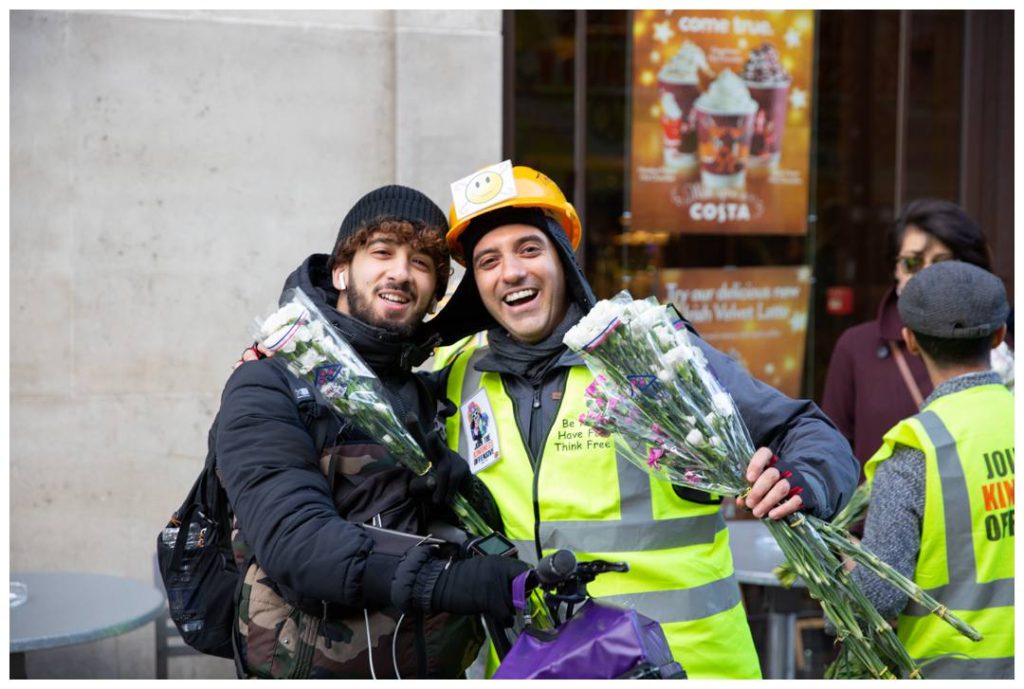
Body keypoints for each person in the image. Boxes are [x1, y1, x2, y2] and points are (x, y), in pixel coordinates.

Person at [426, 163, 860, 678]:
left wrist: (802, 482)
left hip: (687, 667)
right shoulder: (456, 379)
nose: (511, 272)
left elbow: (806, 431)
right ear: (474, 284)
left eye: (529, 249)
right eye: (488, 261)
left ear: (563, 260)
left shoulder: (644, 353)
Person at [215, 184, 528, 679]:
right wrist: (445, 581)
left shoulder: (427, 393)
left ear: (433, 297)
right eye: (382, 252)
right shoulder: (268, 381)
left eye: (422, 263)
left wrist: (458, 489)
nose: (401, 273)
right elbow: (296, 542)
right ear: (341, 269)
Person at [852, 261, 1013, 678]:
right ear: (998, 336)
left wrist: (844, 571)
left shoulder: (915, 448)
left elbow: (875, 598)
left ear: (910, 341)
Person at [822, 199, 1008, 473]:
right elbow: (831, 454)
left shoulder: (1005, 342)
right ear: (895, 271)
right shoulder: (856, 347)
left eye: (941, 262)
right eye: (912, 262)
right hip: (882, 513)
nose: (926, 276)